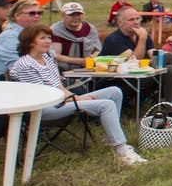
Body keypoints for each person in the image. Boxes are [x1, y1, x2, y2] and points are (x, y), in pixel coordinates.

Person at [8, 25, 146, 165]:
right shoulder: (26, 65)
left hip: (60, 101)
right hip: (43, 109)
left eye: (49, 37)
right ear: (30, 42)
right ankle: (122, 151)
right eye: (42, 38)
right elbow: (43, 96)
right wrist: (77, 99)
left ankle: (110, 139)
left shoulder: (47, 59)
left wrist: (74, 97)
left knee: (114, 92)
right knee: (106, 104)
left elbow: (59, 87)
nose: (48, 41)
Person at [100, 6, 172, 103]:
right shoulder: (113, 39)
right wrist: (142, 38)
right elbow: (133, 61)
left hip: (144, 75)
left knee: (171, 68)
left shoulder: (142, 35)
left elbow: (153, 56)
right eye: (131, 20)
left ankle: (171, 110)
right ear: (120, 23)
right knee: (168, 57)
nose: (136, 22)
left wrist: (161, 57)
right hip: (125, 79)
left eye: (138, 18)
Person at [47, 4, 103, 73]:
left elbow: (97, 50)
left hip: (89, 69)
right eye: (71, 15)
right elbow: (55, 56)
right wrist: (80, 61)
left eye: (79, 14)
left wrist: (94, 56)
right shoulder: (55, 31)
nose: (76, 18)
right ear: (63, 15)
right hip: (62, 70)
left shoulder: (90, 29)